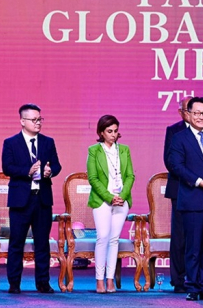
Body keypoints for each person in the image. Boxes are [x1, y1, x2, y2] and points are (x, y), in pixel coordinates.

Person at [167, 97, 203, 301]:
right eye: (197, 113)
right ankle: (192, 286)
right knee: (193, 246)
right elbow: (176, 166)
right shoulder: (179, 137)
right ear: (188, 114)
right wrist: (201, 182)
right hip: (193, 197)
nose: (202, 117)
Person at [2, 103, 62, 294]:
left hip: (42, 198)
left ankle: (43, 283)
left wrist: (50, 171)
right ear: (22, 121)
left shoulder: (48, 142)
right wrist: (27, 172)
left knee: (42, 242)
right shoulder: (10, 143)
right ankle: (14, 283)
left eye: (40, 119)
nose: (38, 123)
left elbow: (58, 166)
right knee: (16, 243)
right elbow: (7, 167)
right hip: (20, 199)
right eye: (34, 120)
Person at [87, 115, 135, 294]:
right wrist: (109, 197)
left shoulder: (124, 150)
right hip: (102, 200)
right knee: (103, 237)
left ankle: (110, 279)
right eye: (109, 131)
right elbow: (92, 178)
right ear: (101, 132)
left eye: (115, 131)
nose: (113, 135)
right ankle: (99, 280)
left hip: (122, 200)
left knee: (114, 240)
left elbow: (130, 175)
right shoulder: (94, 150)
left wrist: (121, 196)